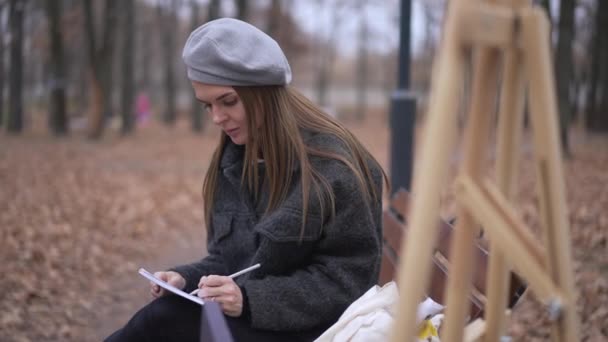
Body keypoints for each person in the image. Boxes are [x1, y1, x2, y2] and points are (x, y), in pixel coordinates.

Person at [105, 17, 388, 342]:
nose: (217, 117)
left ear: (264, 93)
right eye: (207, 105)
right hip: (260, 320)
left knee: (162, 322)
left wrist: (251, 300)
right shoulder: (236, 156)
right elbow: (230, 258)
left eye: (228, 101)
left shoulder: (331, 165)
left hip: (318, 328)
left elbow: (349, 280)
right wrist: (184, 279)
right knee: (165, 317)